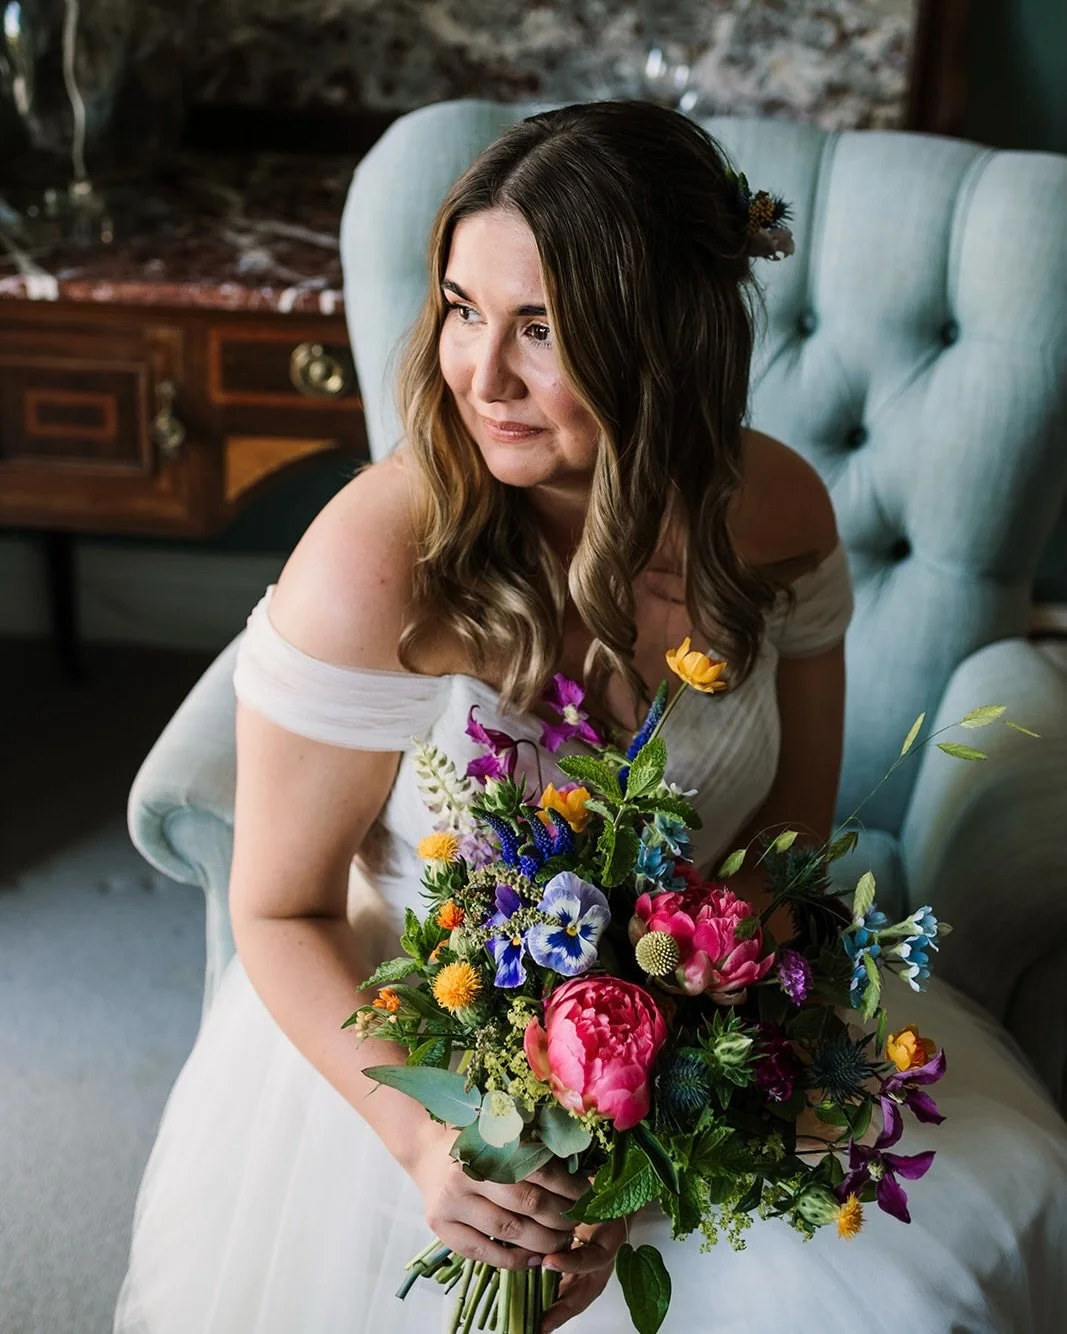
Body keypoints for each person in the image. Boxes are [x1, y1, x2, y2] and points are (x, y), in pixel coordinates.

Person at [114, 102, 1067, 1334]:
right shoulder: (373, 564)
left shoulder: (775, 512)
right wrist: (439, 1144)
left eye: (539, 328)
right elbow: (279, 910)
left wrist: (672, 1078)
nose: (480, 376)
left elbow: (784, 840)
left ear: (661, 338)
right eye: (461, 309)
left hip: (707, 1050)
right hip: (410, 1062)